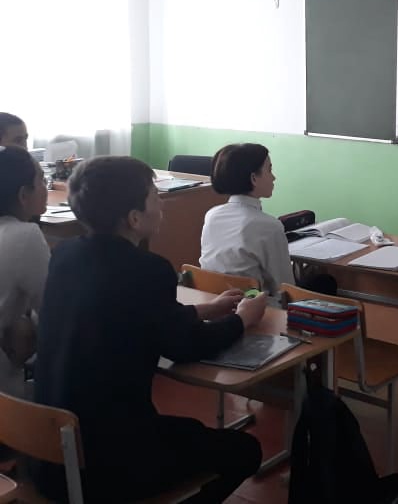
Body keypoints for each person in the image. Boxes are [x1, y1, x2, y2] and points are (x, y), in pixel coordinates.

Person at [32, 156, 267, 503]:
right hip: (110, 463)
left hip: (50, 453)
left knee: (190, 432)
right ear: (134, 218)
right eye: (156, 197)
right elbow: (185, 346)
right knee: (245, 450)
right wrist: (242, 319)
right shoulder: (149, 269)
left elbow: (132, 316)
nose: (162, 205)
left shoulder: (65, 255)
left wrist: (205, 309)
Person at [201, 143, 295, 300]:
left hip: (215, 302)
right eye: (269, 170)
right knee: (323, 282)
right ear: (254, 178)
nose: (274, 177)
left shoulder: (211, 215)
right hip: (258, 308)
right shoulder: (269, 226)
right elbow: (285, 287)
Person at [0, 146, 49, 397]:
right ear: (23, 195)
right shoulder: (25, 236)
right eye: (41, 180)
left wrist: (22, 319)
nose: (46, 186)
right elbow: (54, 312)